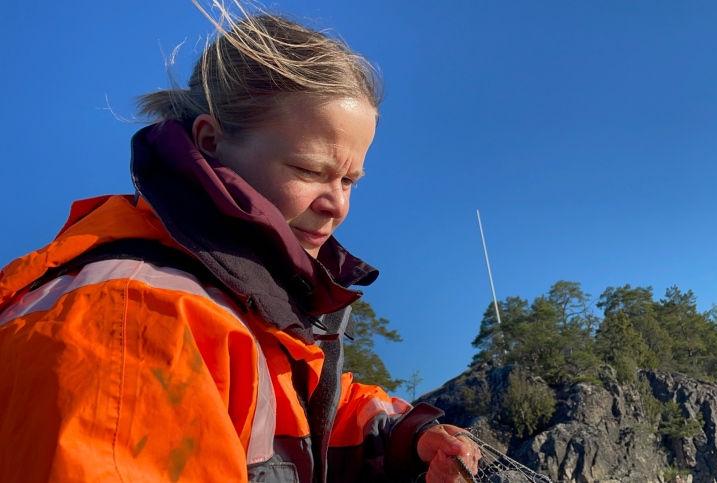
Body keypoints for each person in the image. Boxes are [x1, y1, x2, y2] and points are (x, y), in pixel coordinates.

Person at [0, 3, 479, 482]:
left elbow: (304, 409)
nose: (338, 205)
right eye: (311, 171)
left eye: (349, 180)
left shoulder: (241, 301)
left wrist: (405, 438)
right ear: (210, 140)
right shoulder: (137, 318)